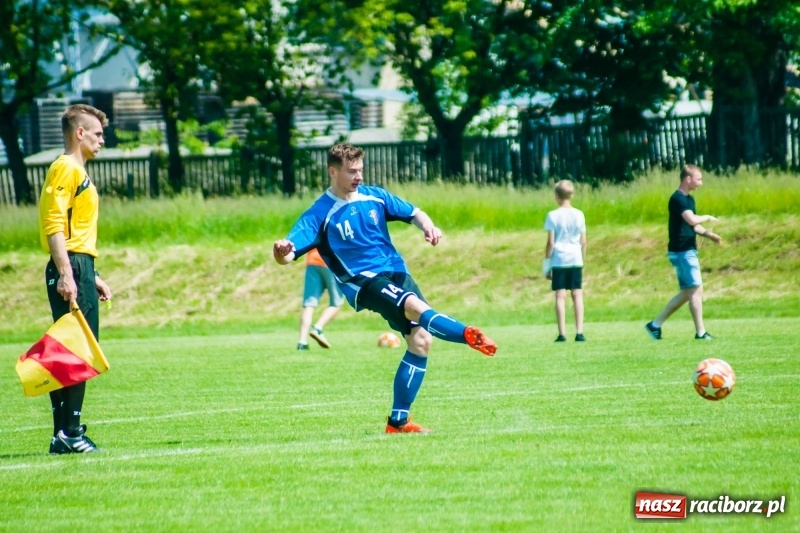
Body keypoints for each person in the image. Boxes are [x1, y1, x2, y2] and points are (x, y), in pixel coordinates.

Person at [273, 143, 497, 434]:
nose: (358, 177)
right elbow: (288, 256)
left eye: (360, 170)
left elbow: (414, 212)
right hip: (363, 281)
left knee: (421, 342)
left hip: (395, 270)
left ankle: (398, 422)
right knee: (415, 306)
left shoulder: (374, 196)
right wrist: (281, 252)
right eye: (352, 172)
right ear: (333, 171)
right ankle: (467, 334)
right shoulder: (319, 214)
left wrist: (428, 226)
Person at [38, 104, 112, 454]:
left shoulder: (77, 171)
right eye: (97, 133)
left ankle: (61, 434)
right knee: (79, 349)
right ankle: (71, 431)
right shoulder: (66, 168)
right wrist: (68, 273)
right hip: (71, 266)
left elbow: (74, 229)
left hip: (80, 264)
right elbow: (53, 223)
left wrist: (91, 274)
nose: (102, 139)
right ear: (79, 133)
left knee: (69, 348)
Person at [645, 164, 722, 341]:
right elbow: (691, 218)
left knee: (690, 291)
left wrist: (710, 235)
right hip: (682, 251)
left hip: (686, 250)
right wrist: (709, 217)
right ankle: (700, 332)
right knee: (695, 290)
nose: (701, 182)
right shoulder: (678, 199)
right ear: (688, 179)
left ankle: (655, 325)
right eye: (699, 179)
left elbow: (694, 226)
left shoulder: (689, 200)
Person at [543, 180, 587, 342]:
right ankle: (579, 331)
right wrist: (582, 257)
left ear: (556, 196)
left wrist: (547, 262)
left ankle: (562, 333)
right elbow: (584, 241)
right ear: (572, 195)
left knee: (560, 295)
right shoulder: (579, 214)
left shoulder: (553, 215)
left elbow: (551, 242)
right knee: (577, 294)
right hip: (575, 257)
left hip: (560, 258)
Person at [297, 248, 344, 350]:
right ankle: (317, 328)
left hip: (312, 260)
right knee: (336, 303)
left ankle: (302, 342)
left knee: (309, 303)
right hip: (331, 262)